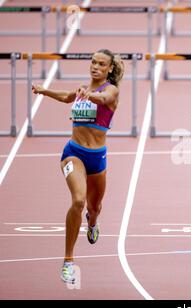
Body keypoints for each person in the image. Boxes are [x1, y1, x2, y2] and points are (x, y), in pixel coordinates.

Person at [32, 49, 124, 283]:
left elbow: (103, 99)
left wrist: (88, 95)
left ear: (109, 69)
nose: (95, 66)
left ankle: (92, 222)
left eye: (101, 64)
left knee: (94, 207)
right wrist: (45, 91)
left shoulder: (111, 91)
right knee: (78, 200)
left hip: (97, 158)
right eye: (93, 62)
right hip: (73, 153)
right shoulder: (83, 88)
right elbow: (66, 96)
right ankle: (68, 260)